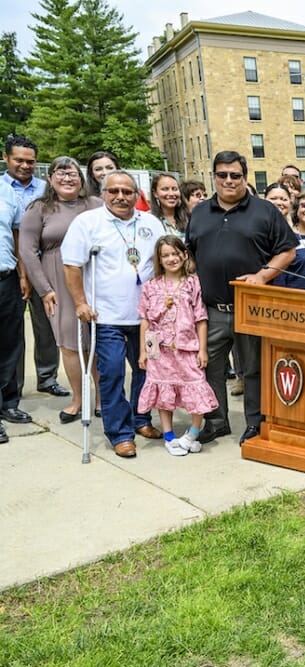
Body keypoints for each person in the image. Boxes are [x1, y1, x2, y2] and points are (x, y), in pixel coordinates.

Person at [187, 151, 298, 446]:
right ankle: (217, 421)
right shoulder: (199, 212)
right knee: (210, 366)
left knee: (252, 369)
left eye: (235, 175)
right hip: (211, 309)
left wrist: (262, 276)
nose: (228, 180)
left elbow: (288, 250)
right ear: (214, 177)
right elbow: (191, 255)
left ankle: (255, 422)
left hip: (251, 306)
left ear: (244, 178)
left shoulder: (264, 211)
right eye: (222, 174)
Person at [62, 170, 164, 458]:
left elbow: (162, 259)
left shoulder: (150, 222)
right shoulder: (88, 223)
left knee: (149, 369)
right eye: (114, 191)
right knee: (112, 374)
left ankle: (142, 419)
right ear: (103, 193)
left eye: (127, 192)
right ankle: (120, 433)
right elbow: (71, 266)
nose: (121, 197)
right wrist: (80, 303)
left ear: (136, 194)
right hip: (106, 317)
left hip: (147, 317)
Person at [18, 158, 102, 423]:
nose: (67, 178)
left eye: (73, 173)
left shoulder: (96, 205)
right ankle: (78, 399)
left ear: (82, 178)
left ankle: (102, 397)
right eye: (61, 173)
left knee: (97, 341)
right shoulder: (39, 209)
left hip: (94, 277)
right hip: (57, 280)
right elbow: (27, 251)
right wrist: (44, 289)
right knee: (69, 342)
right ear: (51, 179)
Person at [137, 235, 218, 456]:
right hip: (159, 350)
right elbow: (145, 320)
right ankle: (169, 435)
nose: (171, 259)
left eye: (175, 253)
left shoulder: (193, 283)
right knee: (164, 390)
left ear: (184, 255)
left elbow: (201, 318)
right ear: (159, 260)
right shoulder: (151, 286)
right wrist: (144, 351)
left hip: (187, 348)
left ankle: (192, 432)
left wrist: (202, 349)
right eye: (166, 255)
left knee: (196, 386)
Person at [4, 134, 67, 400]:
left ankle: (47, 376)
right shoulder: (1, 189)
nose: (25, 165)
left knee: (46, 324)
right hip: (12, 267)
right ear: (6, 158)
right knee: (12, 330)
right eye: (19, 160)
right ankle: (12, 385)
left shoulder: (46, 189)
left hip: (45, 266)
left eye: (30, 161)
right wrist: (22, 272)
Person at [0, 180, 28, 443]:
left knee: (11, 345)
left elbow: (16, 234)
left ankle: (9, 403)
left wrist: (22, 274)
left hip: (6, 278)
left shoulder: (6, 190)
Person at [150, 173, 188, 238]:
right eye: (165, 189)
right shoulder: (148, 220)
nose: (171, 193)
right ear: (155, 193)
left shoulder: (189, 217)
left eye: (174, 189)